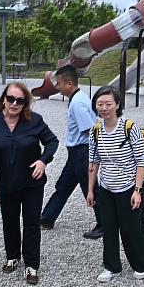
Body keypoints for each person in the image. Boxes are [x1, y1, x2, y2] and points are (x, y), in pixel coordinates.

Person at [0, 82, 59, 285]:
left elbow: (52, 142)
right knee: (9, 220)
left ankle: (32, 264)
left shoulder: (34, 120)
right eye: (11, 99)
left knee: (31, 222)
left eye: (20, 100)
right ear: (3, 99)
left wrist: (43, 160)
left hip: (31, 182)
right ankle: (13, 256)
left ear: (25, 103)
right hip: (6, 182)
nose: (14, 103)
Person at [86, 86, 144, 283]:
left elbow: (141, 159)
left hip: (129, 187)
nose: (104, 108)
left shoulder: (129, 127)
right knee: (109, 227)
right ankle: (111, 266)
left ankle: (143, 262)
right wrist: (91, 189)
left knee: (132, 227)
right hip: (106, 187)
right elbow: (93, 161)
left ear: (117, 105)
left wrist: (137, 190)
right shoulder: (95, 131)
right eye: (100, 104)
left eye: (108, 104)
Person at [40, 65, 103, 239]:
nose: (57, 87)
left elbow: (89, 128)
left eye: (59, 84)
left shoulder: (77, 103)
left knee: (90, 188)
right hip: (76, 152)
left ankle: (104, 223)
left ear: (69, 83)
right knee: (64, 185)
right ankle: (47, 217)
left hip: (81, 151)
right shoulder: (79, 98)